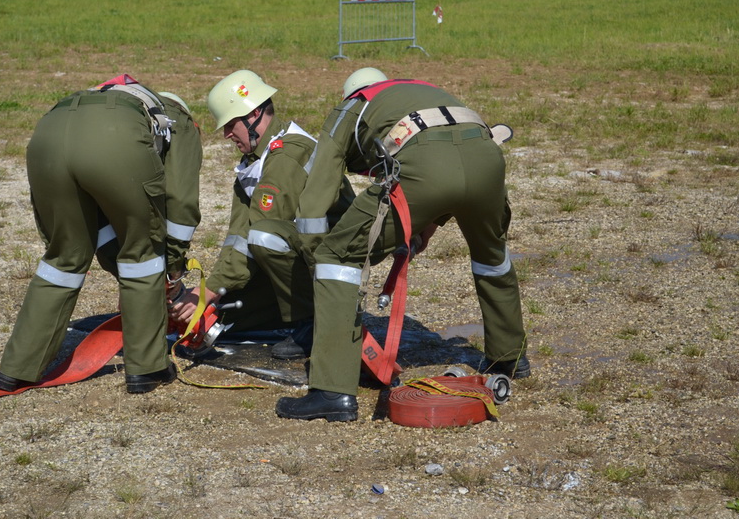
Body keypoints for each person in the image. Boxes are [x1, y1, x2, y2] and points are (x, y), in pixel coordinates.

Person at [275, 68, 529, 422]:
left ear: (352, 94)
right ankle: (510, 357)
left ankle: (331, 392)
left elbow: (315, 200)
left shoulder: (351, 108)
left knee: (335, 257)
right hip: (486, 157)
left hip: (425, 166)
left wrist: (318, 260)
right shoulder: (422, 90)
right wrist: (426, 225)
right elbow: (453, 168)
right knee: (491, 257)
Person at [0, 75, 202, 394]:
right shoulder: (179, 118)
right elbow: (182, 202)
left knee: (63, 259)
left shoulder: (122, 102)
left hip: (48, 134)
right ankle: (147, 368)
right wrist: (173, 267)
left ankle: (18, 369)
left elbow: (103, 220)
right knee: (143, 255)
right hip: (112, 138)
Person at [169, 70, 354, 359]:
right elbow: (237, 237)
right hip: (297, 259)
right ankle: (287, 312)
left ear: (254, 114)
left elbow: (257, 233)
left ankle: (313, 322)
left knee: (264, 236)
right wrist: (212, 294)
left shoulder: (287, 155)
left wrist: (210, 291)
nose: (227, 134)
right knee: (224, 315)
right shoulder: (254, 162)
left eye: (231, 124)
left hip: (330, 261)